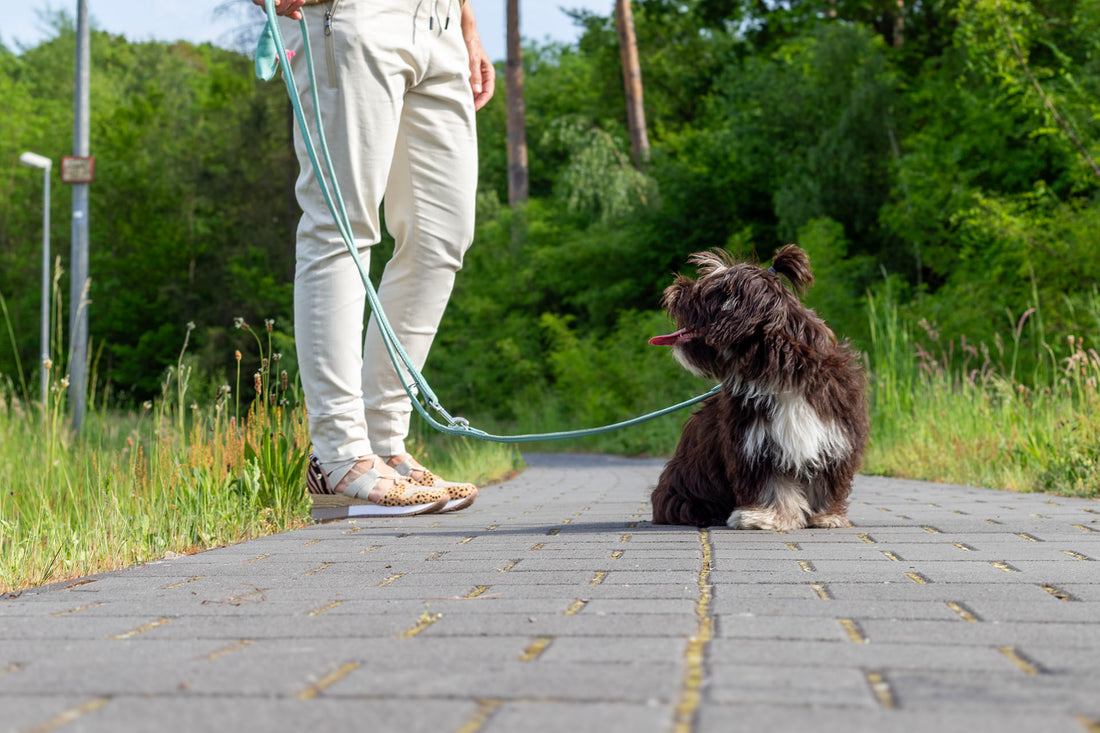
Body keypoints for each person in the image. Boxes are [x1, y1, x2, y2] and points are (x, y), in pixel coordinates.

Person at [255, 0, 496, 516]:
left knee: (441, 238)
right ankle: (340, 457)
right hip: (348, 15)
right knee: (341, 225)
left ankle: (383, 444)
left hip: (438, 23)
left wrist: (467, 24)